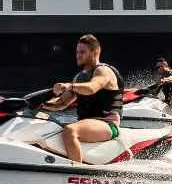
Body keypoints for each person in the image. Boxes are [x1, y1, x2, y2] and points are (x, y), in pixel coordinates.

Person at [41, 34, 122, 164]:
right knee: (52, 128)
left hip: (107, 124)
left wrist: (69, 86)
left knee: (70, 130)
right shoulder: (79, 77)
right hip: (87, 123)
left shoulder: (104, 71)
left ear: (95, 52)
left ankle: (76, 172)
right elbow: (60, 103)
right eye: (77, 52)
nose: (78, 55)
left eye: (83, 52)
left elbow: (92, 87)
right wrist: (38, 104)